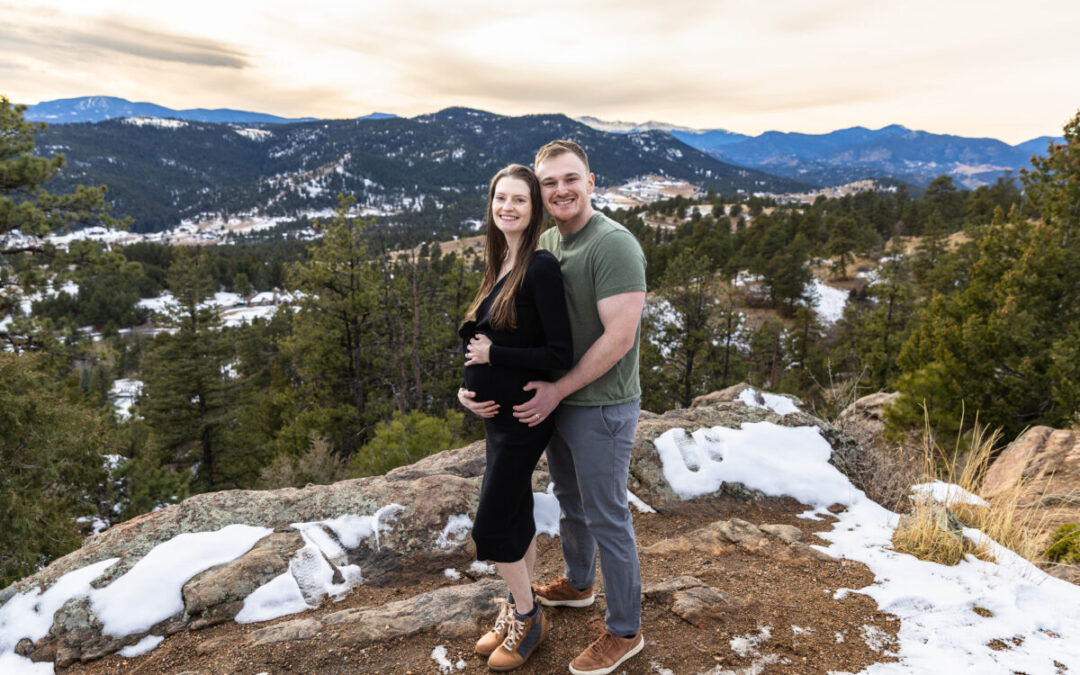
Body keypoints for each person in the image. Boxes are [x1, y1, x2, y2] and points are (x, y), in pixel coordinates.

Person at [519, 139, 647, 675]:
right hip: (565, 400)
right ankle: (578, 584)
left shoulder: (613, 245)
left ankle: (625, 631)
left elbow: (618, 338)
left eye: (570, 179)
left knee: (608, 515)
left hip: (600, 407)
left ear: (590, 182)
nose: (561, 190)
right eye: (549, 183)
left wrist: (558, 389)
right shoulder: (550, 240)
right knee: (570, 501)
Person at [457, 163, 572, 671]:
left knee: (493, 522)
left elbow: (558, 353)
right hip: (495, 418)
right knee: (517, 512)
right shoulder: (500, 261)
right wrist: (465, 392)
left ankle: (527, 618)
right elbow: (482, 344)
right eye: (500, 198)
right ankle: (516, 609)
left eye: (519, 200)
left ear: (535, 209)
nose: (508, 207)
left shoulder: (540, 266)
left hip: (525, 415)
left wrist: (493, 361)